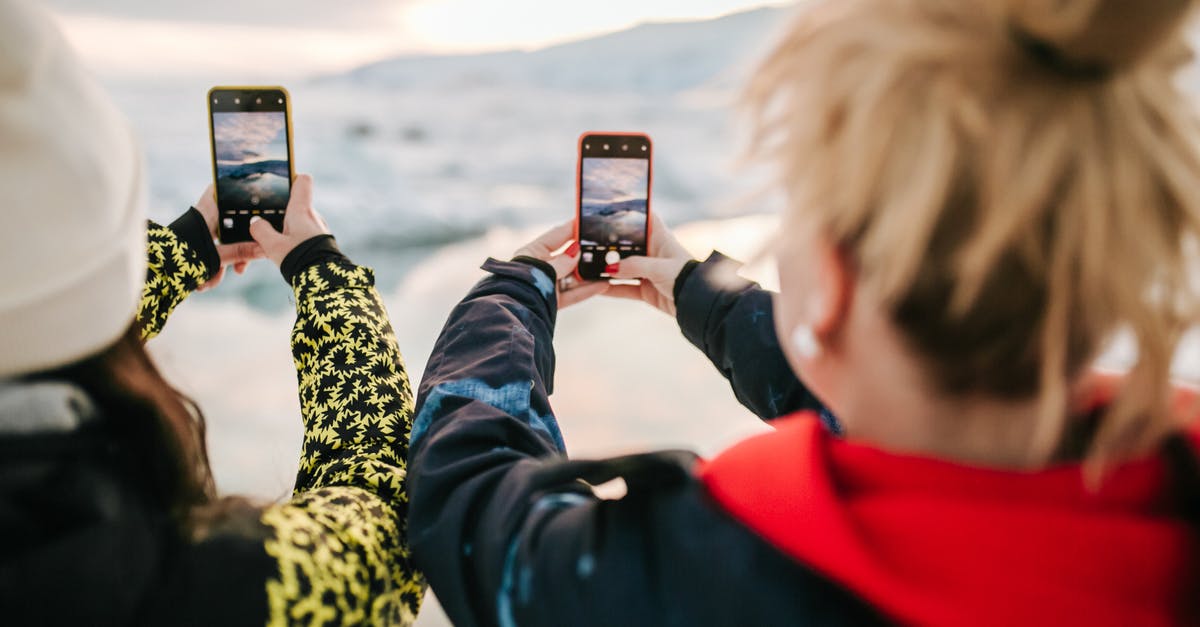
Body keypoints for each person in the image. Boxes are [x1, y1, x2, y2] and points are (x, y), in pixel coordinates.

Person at [407, 0, 1200, 625]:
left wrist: (514, 290)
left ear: (832, 279)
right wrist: (698, 293)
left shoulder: (695, 577)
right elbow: (886, 409)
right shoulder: (1171, 505)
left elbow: (467, 500)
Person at [0, 1, 422, 623]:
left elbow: (35, 320)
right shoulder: (205, 591)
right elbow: (381, 502)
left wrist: (180, 252)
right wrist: (322, 268)